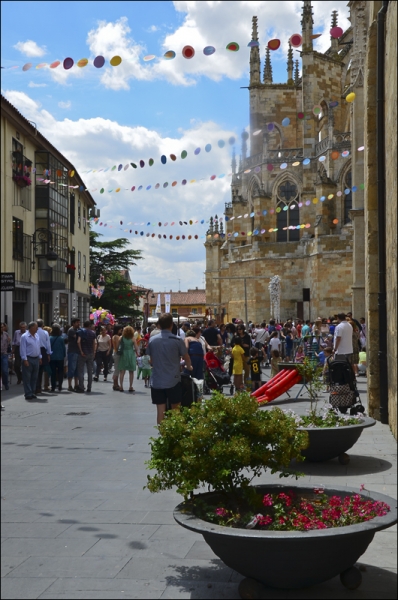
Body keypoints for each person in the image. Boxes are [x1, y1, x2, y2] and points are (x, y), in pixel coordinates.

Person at [146, 313, 193, 424]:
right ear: (171, 325)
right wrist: (189, 366)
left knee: (160, 411)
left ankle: (162, 435)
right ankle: (175, 433)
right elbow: (186, 357)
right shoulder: (177, 340)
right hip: (173, 379)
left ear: (159, 325)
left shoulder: (152, 340)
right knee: (176, 408)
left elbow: (151, 360)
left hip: (157, 380)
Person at [20, 321, 42, 400]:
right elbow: (22, 349)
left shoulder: (37, 336)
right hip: (28, 358)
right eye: (36, 327)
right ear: (31, 327)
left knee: (34, 377)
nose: (37, 329)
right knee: (27, 377)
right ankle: (28, 393)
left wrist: (40, 357)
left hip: (36, 358)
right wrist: (25, 359)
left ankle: (32, 392)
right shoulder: (24, 336)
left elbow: (38, 347)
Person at [118, 325, 140, 392]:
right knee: (131, 372)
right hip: (130, 354)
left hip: (123, 354)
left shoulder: (121, 337)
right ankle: (130, 386)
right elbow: (136, 348)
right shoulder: (133, 338)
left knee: (122, 371)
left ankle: (121, 386)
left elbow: (118, 346)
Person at [77, 320, 97, 393]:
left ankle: (81, 387)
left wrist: (81, 351)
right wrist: (94, 352)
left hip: (82, 354)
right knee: (89, 371)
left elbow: (78, 341)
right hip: (90, 353)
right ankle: (89, 387)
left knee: (81, 370)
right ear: (89, 325)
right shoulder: (93, 333)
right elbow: (94, 343)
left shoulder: (81, 332)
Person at [36, 318, 52, 394]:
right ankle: (42, 386)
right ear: (42, 325)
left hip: (35, 350)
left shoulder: (34, 332)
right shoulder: (45, 332)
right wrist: (48, 354)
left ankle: (37, 386)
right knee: (42, 369)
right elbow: (48, 344)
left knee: (36, 370)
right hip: (43, 351)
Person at [49, 324, 66, 392]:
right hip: (60, 357)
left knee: (53, 372)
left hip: (52, 357)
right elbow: (63, 348)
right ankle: (60, 386)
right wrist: (64, 355)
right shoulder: (61, 338)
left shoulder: (50, 338)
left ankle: (53, 387)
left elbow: (48, 347)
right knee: (60, 372)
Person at [67, 318, 81, 392]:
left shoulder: (78, 330)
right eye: (77, 323)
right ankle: (69, 385)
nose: (79, 324)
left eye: (79, 322)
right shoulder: (71, 330)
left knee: (77, 369)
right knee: (72, 368)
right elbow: (78, 338)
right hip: (72, 351)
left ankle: (76, 384)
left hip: (77, 351)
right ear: (73, 323)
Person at [111, 325, 123, 390]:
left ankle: (116, 383)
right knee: (117, 369)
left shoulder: (114, 336)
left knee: (117, 368)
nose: (121, 331)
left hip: (115, 353)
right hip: (117, 353)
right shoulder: (117, 337)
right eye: (120, 330)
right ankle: (115, 384)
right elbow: (118, 346)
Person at [1, 323, 11, 390]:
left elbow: (8, 344)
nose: (2, 328)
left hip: (4, 354)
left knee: (5, 370)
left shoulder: (6, 334)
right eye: (1, 327)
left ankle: (5, 383)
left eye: (2, 327)